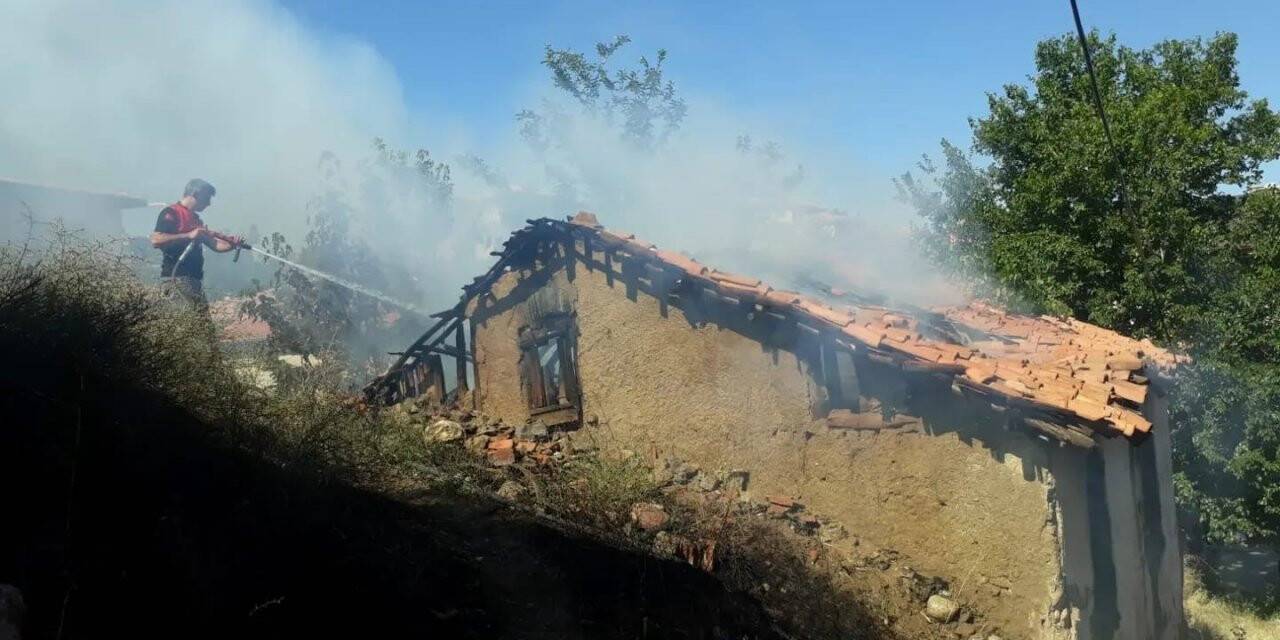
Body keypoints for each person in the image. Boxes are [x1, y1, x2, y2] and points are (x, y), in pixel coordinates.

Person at [149, 178, 240, 312]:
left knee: (203, 330)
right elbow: (156, 239)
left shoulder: (196, 219)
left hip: (194, 281)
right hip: (176, 280)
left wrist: (232, 245)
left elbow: (214, 244)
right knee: (185, 327)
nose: (208, 203)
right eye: (207, 198)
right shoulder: (171, 212)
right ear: (196, 194)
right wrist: (188, 235)